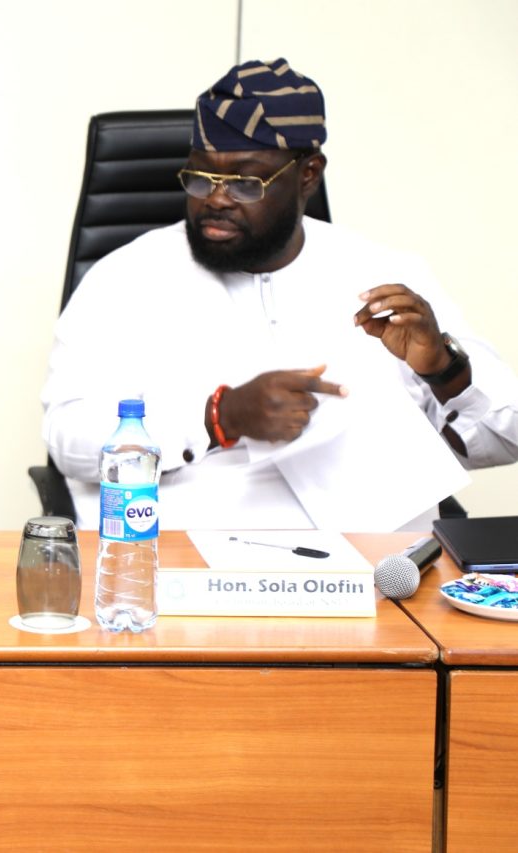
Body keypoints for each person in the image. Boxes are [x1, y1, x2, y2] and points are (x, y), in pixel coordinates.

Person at [41, 59, 518, 531]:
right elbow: (67, 441)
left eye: (246, 183)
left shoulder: (387, 276)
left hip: (380, 559)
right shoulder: (125, 279)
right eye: (201, 178)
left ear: (308, 174)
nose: (216, 199)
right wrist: (218, 418)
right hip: (193, 552)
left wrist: (445, 370)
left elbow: (507, 438)